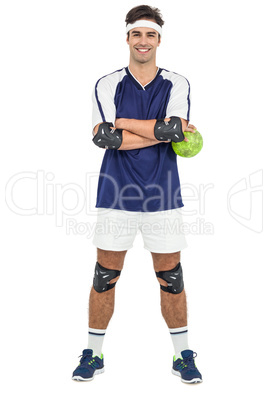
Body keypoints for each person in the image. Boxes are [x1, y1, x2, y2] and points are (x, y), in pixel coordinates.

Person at [72, 5, 202, 384]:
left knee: (171, 278)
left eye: (150, 35)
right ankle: (93, 354)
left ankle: (183, 355)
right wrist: (154, 129)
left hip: (163, 195)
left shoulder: (176, 82)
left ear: (159, 40)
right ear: (127, 38)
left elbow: (176, 130)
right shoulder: (108, 83)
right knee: (105, 276)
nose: (143, 41)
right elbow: (104, 138)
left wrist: (126, 124)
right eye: (136, 34)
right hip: (116, 195)